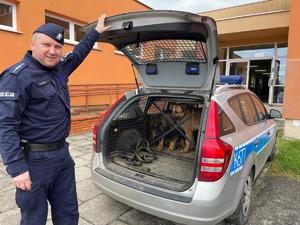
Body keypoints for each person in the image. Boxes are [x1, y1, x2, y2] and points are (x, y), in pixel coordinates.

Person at [0, 14, 111, 225]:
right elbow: (5, 125)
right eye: (46, 45)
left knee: (69, 214)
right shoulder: (16, 77)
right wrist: (17, 169)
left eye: (58, 46)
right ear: (33, 44)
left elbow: (78, 53)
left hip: (62, 156)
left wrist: (96, 32)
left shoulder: (59, 69)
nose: (53, 51)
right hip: (34, 163)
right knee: (34, 219)